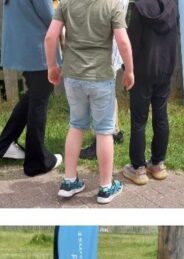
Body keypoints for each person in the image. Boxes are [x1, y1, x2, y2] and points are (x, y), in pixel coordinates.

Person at [45, 0, 134, 204]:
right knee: (104, 131)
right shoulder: (112, 5)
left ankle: (69, 181)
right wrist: (129, 71)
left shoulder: (66, 4)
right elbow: (123, 42)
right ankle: (105, 187)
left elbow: (50, 37)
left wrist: (52, 66)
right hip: (100, 77)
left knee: (76, 126)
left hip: (73, 77)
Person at [0, 0, 62, 177]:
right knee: (39, 100)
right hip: (37, 47)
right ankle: (37, 162)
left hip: (24, 45)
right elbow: (50, 16)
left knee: (34, 95)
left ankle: (5, 144)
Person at [121, 0, 179, 186]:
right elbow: (174, 36)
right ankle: (158, 164)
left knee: (139, 120)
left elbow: (133, 41)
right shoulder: (172, 4)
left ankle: (138, 169)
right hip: (164, 68)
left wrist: (127, 68)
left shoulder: (140, 7)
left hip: (142, 71)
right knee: (161, 116)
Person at [78, 0, 129, 161]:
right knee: (107, 90)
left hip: (105, 45)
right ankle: (115, 131)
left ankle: (98, 142)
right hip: (108, 42)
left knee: (100, 94)